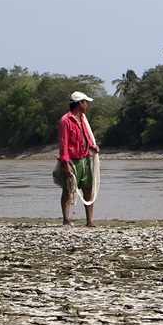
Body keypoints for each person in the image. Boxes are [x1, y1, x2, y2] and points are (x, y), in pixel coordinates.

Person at [53, 91, 100, 227]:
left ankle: (89, 221)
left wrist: (92, 147)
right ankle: (66, 219)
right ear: (80, 103)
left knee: (87, 189)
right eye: (86, 102)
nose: (87, 105)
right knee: (68, 190)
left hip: (84, 159)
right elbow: (64, 143)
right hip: (72, 161)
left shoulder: (83, 119)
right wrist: (66, 164)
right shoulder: (65, 121)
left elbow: (85, 136)